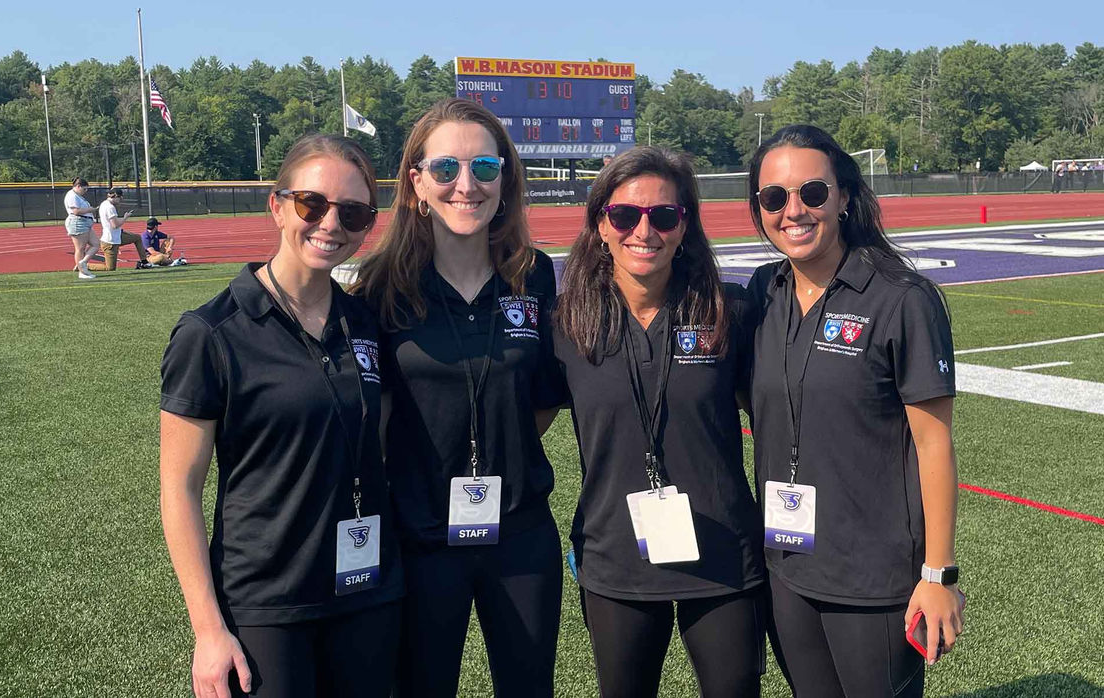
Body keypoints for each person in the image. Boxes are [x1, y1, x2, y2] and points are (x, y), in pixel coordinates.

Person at [159, 134, 404, 698]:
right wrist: (207, 629)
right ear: (276, 205)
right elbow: (179, 490)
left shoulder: (366, 322)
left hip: (369, 591)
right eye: (310, 204)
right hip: (266, 601)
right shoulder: (211, 333)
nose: (330, 224)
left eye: (353, 212)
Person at [350, 98, 563, 697]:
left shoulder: (534, 275)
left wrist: (495, 443)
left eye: (484, 169)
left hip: (520, 532)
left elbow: (542, 398)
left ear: (505, 181)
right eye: (445, 169)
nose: (465, 185)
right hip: (418, 535)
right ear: (416, 182)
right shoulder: (380, 288)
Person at [745, 124, 964, 697]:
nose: (793, 211)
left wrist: (938, 575)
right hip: (788, 567)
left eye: (812, 193)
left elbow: (934, 445)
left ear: (843, 196)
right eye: (774, 198)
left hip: (875, 576)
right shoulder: (762, 293)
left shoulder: (901, 298)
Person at [553, 146, 766, 697]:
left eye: (663, 216)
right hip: (616, 555)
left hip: (723, 555)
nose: (643, 230)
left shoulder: (730, 311)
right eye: (624, 215)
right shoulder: (566, 325)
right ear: (600, 224)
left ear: (684, 226)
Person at [90, 188, 151, 271]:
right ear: (115, 196)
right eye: (120, 198)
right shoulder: (110, 207)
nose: (120, 201)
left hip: (116, 237)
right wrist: (125, 218)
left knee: (137, 237)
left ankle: (144, 262)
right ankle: (85, 265)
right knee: (110, 268)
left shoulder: (104, 204)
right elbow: (115, 225)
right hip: (110, 242)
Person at [63, 176, 98, 279]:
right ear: (78, 186)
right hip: (78, 221)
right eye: (84, 189)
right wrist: (90, 210)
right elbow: (76, 211)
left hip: (85, 222)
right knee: (80, 248)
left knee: (95, 244)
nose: (85, 191)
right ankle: (82, 272)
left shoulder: (78, 196)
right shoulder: (71, 195)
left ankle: (83, 263)